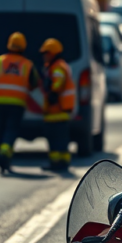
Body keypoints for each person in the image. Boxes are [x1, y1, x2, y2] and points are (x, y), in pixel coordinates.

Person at [0, 32, 40, 173]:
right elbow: (34, 82)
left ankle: (1, 152)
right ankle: (5, 153)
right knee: (11, 130)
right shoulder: (27, 65)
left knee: (1, 128)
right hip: (17, 103)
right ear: (23, 47)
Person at [39, 38, 75, 171]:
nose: (44, 56)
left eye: (46, 53)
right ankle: (62, 163)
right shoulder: (57, 65)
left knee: (55, 141)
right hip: (60, 111)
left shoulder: (57, 67)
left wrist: (53, 91)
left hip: (56, 111)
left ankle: (56, 164)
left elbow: (58, 83)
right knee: (61, 141)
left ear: (52, 53)